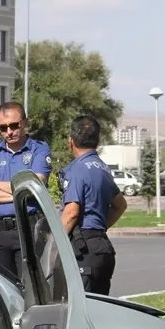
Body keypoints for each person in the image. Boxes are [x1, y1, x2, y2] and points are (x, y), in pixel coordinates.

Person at [0, 102, 52, 276]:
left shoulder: (39, 149)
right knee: (2, 290)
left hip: (27, 230)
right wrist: (18, 195)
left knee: (29, 289)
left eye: (14, 126)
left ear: (25, 123)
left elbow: (33, 186)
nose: (9, 132)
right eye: (3, 128)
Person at [59, 114, 128, 295]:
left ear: (71, 141)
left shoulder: (76, 169)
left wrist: (53, 244)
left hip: (83, 250)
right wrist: (100, 227)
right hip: (102, 248)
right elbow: (120, 205)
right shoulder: (103, 168)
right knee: (100, 309)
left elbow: (71, 213)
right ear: (97, 141)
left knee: (81, 310)